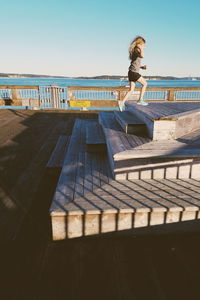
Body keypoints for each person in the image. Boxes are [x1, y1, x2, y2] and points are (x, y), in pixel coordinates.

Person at [118, 36, 148, 111]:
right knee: (145, 84)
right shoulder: (137, 50)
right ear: (140, 44)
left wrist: (141, 67)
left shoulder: (134, 51)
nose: (144, 46)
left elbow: (135, 64)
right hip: (134, 73)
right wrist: (141, 48)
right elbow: (142, 56)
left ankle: (122, 102)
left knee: (131, 90)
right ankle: (140, 100)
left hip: (131, 72)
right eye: (143, 45)